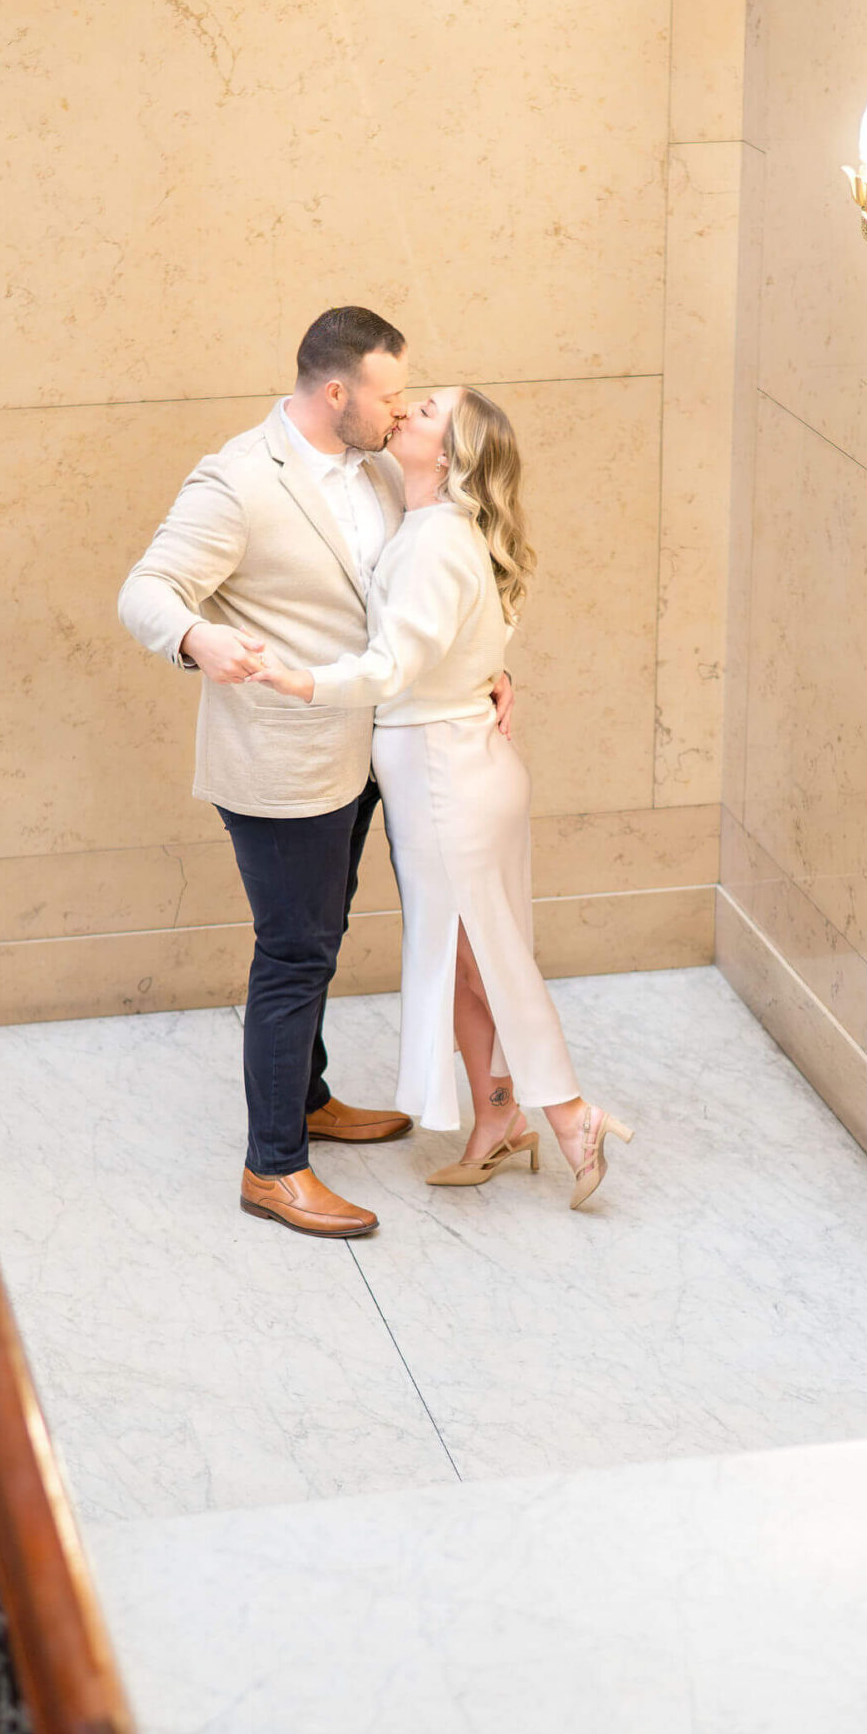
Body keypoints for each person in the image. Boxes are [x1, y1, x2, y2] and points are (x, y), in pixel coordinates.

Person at [117, 307, 513, 1239]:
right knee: (293, 954)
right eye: (389, 393)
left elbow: (416, 594)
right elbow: (145, 588)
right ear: (336, 392)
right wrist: (195, 635)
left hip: (365, 751)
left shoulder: (379, 463)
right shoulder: (237, 482)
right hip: (279, 764)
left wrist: (484, 668)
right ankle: (272, 1166)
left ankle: (310, 1098)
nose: (403, 407)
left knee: (323, 931)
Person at [252, 387, 632, 1209]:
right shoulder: (436, 528)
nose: (403, 412)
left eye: (423, 411)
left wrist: (299, 679)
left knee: (479, 957)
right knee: (467, 959)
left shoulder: (434, 541)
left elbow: (391, 666)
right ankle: (498, 1121)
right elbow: (466, 638)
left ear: (450, 455)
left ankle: (568, 1114)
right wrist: (487, 676)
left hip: (444, 773)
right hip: (455, 761)